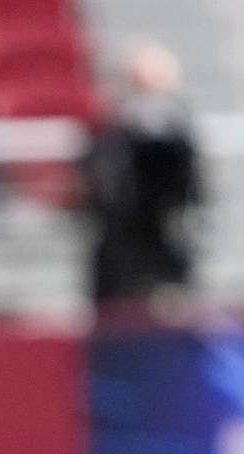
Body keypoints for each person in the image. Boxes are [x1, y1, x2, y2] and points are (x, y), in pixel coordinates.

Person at [80, 40, 205, 312]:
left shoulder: (177, 143)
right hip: (120, 268)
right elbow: (103, 198)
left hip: (163, 263)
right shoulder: (107, 139)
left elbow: (188, 195)